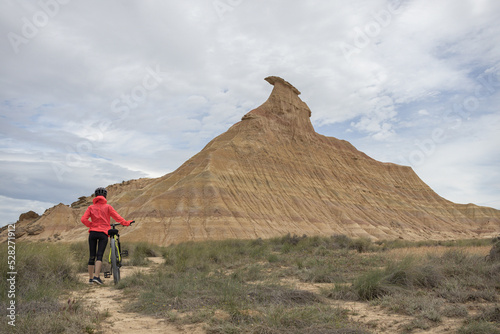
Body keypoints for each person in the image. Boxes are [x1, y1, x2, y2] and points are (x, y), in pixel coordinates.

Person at [81, 187, 133, 284]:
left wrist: (91, 225)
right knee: (99, 256)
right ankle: (97, 277)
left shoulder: (90, 207)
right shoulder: (108, 207)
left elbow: (83, 219)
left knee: (92, 256)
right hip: (103, 233)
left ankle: (91, 279)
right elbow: (118, 218)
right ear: (105, 196)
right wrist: (126, 223)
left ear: (96, 196)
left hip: (92, 233)